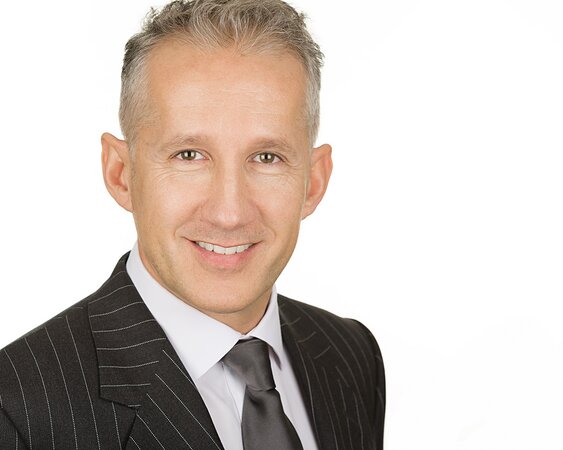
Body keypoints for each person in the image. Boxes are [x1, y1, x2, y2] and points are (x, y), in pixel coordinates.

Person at [0, 0, 385, 448]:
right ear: (121, 174)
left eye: (267, 157)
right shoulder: (18, 410)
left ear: (313, 182)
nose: (229, 213)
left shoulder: (350, 354)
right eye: (189, 155)